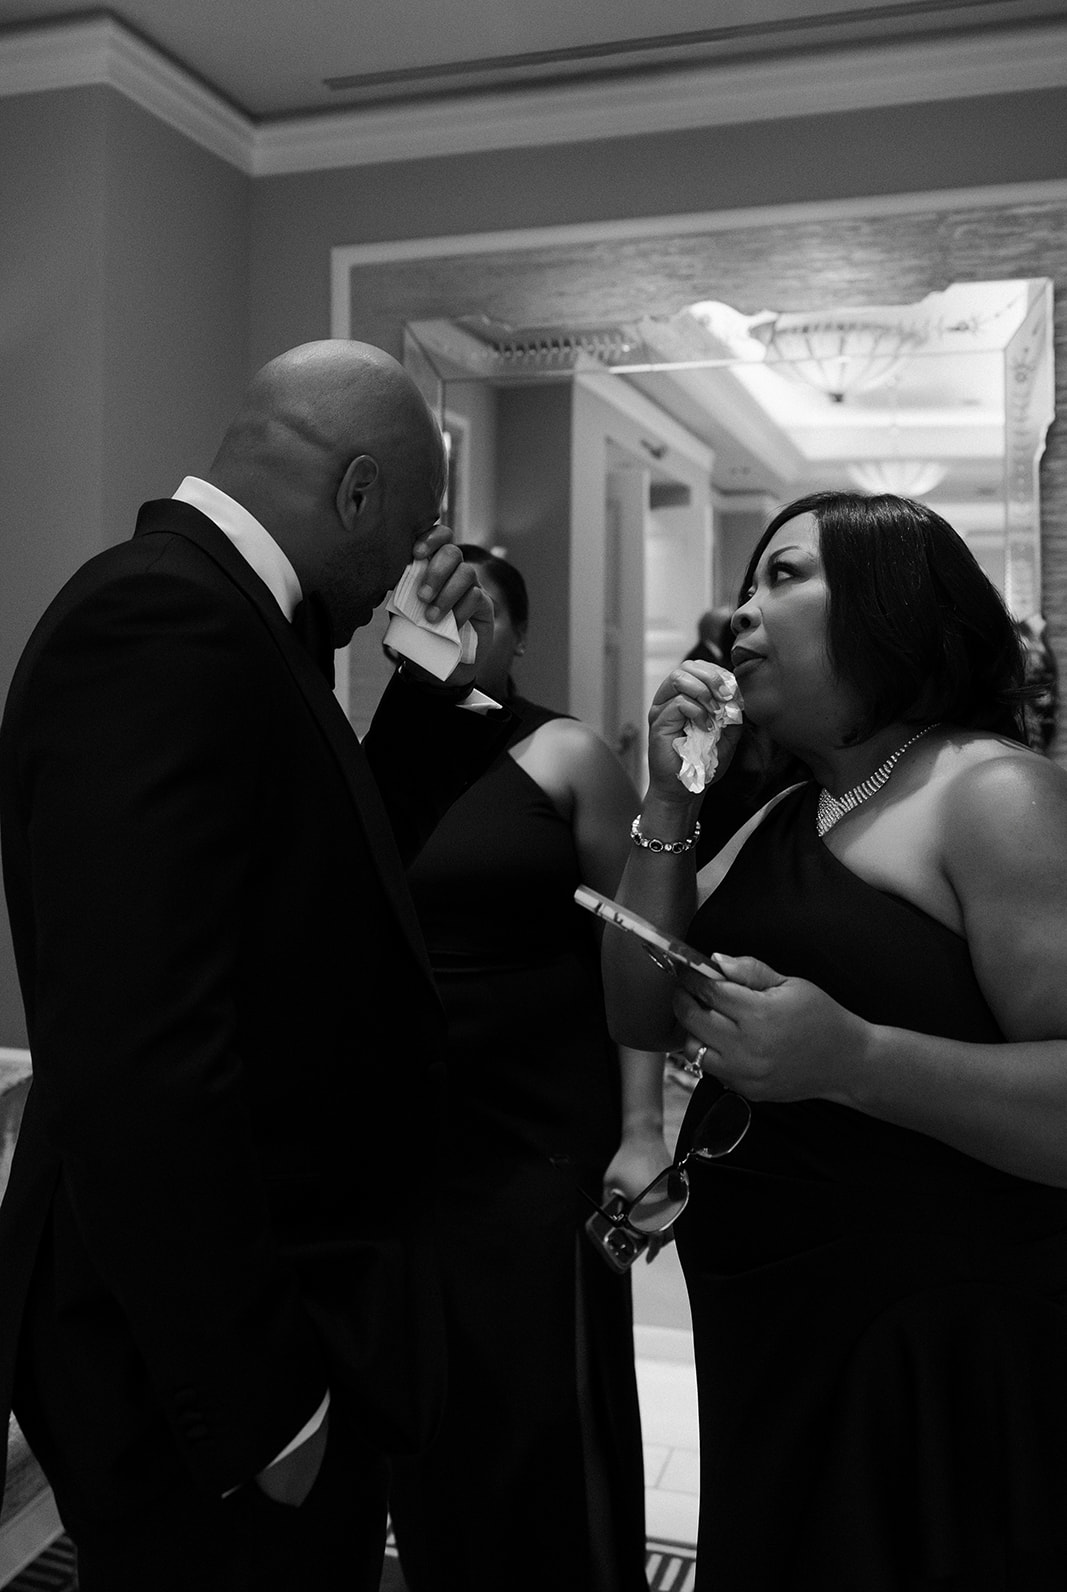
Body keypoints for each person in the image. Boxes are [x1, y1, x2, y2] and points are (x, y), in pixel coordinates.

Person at [0, 340, 515, 1592]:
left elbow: (314, 895)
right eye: (406, 528)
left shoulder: (239, 630)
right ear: (353, 493)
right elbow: (138, 1054)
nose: (405, 563)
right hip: (201, 1365)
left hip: (279, 1320)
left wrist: (437, 690)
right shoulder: (160, 617)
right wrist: (267, 1404)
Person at [602, 491, 1067, 1590]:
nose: (737, 614)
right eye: (747, 582)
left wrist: (852, 1057)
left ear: (886, 606)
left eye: (782, 577)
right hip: (777, 1327)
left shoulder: (989, 792)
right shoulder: (781, 814)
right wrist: (669, 801)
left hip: (932, 1351)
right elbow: (632, 1006)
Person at [388, 546, 665, 1592]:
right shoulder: (380, 754)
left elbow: (635, 934)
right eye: (437, 600)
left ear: (515, 633)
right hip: (416, 1144)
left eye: (483, 605)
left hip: (543, 1141)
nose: (459, 618)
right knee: (435, 1416)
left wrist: (641, 1127)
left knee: (549, 1411)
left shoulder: (565, 753)